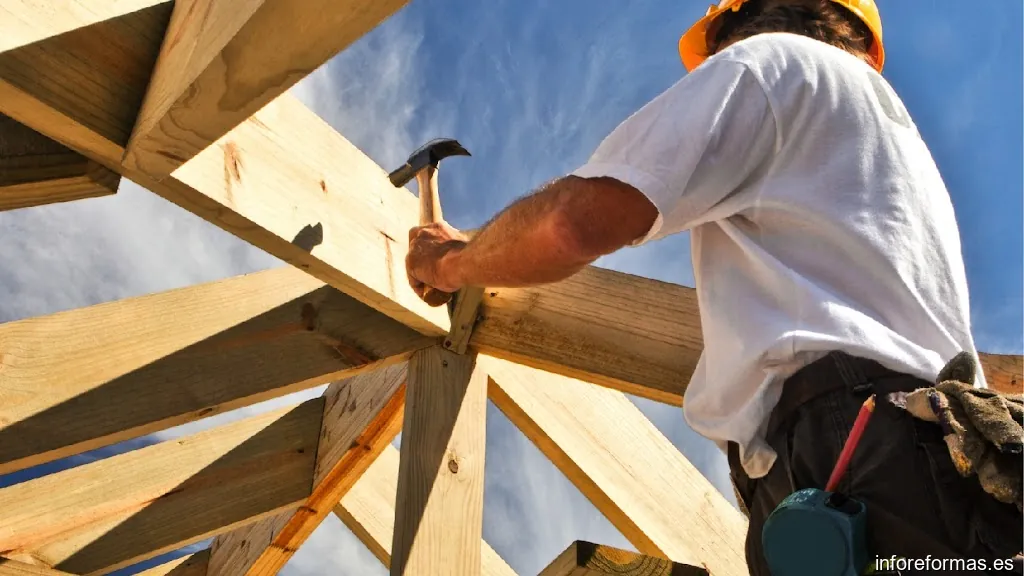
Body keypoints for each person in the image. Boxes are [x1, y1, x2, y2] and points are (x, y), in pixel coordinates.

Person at [404, 0, 1024, 573]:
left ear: (741, 26)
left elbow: (569, 224)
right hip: (942, 469)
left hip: (852, 457)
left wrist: (451, 261)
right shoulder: (890, 144)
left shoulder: (772, 64)